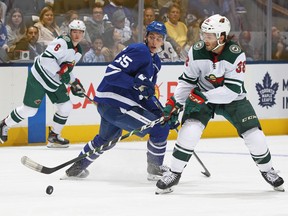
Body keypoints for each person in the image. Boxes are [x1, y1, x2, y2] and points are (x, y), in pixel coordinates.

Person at [155, 14, 285, 194]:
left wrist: (203, 97)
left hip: (232, 100)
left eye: (208, 36)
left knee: (255, 136)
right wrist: (174, 103)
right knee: (189, 131)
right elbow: (187, 81)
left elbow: (230, 91)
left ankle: (268, 170)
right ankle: (174, 173)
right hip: (203, 97)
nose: (204, 39)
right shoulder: (196, 51)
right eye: (203, 34)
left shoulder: (236, 55)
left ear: (221, 37)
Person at [62, 21, 171, 181]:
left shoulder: (155, 62)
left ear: (163, 41)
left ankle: (77, 167)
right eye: (152, 37)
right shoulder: (140, 51)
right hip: (117, 104)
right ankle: (155, 169)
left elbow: (145, 94)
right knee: (160, 129)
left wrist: (161, 112)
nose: (154, 41)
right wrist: (135, 82)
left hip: (111, 105)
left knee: (106, 139)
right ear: (146, 37)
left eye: (159, 38)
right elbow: (111, 73)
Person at [0, 20, 86, 148]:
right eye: (74, 31)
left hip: (54, 81)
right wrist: (61, 72)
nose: (77, 35)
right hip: (39, 77)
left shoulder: (78, 51)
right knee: (29, 111)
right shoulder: (62, 42)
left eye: (80, 32)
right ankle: (4, 124)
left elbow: (66, 69)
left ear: (83, 34)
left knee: (66, 106)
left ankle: (54, 137)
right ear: (70, 32)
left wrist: (74, 82)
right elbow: (46, 59)